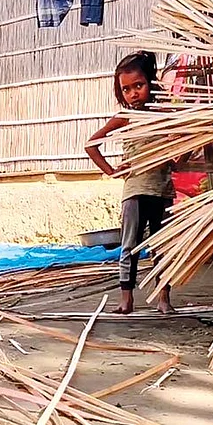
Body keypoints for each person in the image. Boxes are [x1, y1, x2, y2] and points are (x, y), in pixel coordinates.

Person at [85, 51, 177, 315]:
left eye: (139, 85)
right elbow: (91, 144)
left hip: (162, 190)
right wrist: (112, 171)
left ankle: (163, 299)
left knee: (163, 246)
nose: (133, 93)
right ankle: (126, 299)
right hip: (135, 192)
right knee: (130, 246)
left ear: (151, 83)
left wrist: (177, 156)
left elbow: (178, 151)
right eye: (126, 89)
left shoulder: (164, 115)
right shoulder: (125, 117)